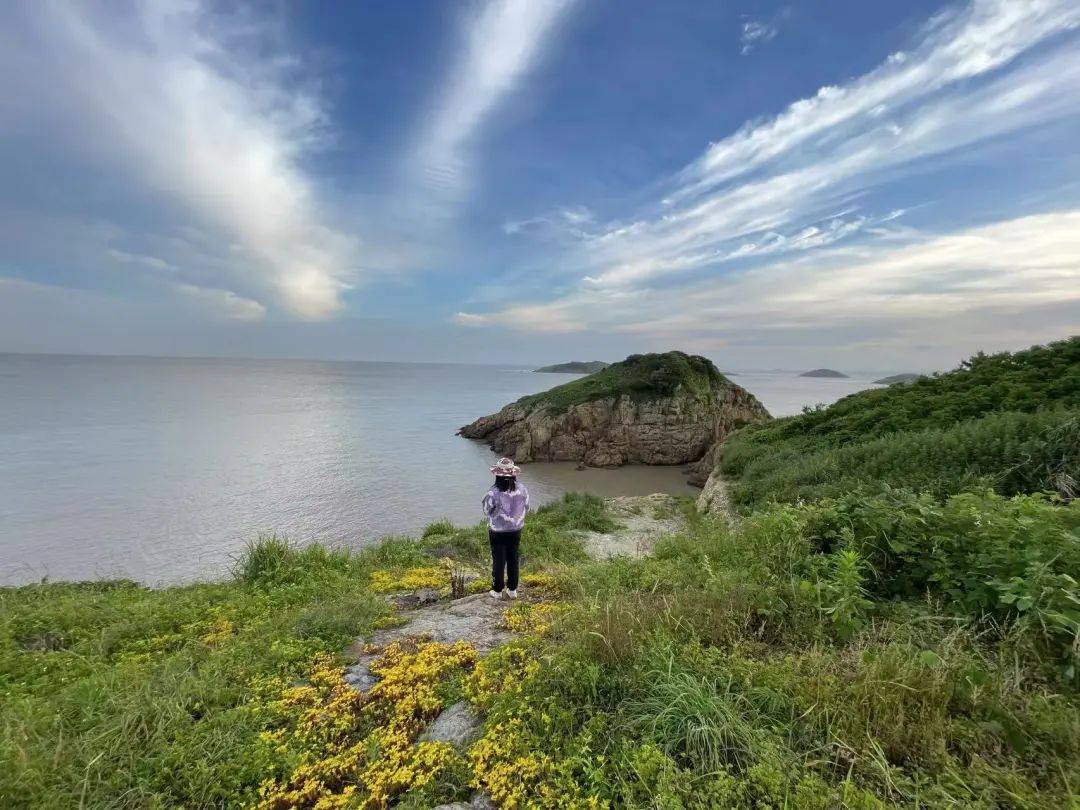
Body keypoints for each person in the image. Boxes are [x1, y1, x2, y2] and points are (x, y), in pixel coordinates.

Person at [482, 457, 529, 599]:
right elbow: (527, 507)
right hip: (516, 529)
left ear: (497, 475)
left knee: (499, 560)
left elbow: (486, 510)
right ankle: (512, 590)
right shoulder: (522, 489)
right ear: (513, 474)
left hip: (498, 531)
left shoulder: (493, 492)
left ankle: (497, 590)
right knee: (513, 558)